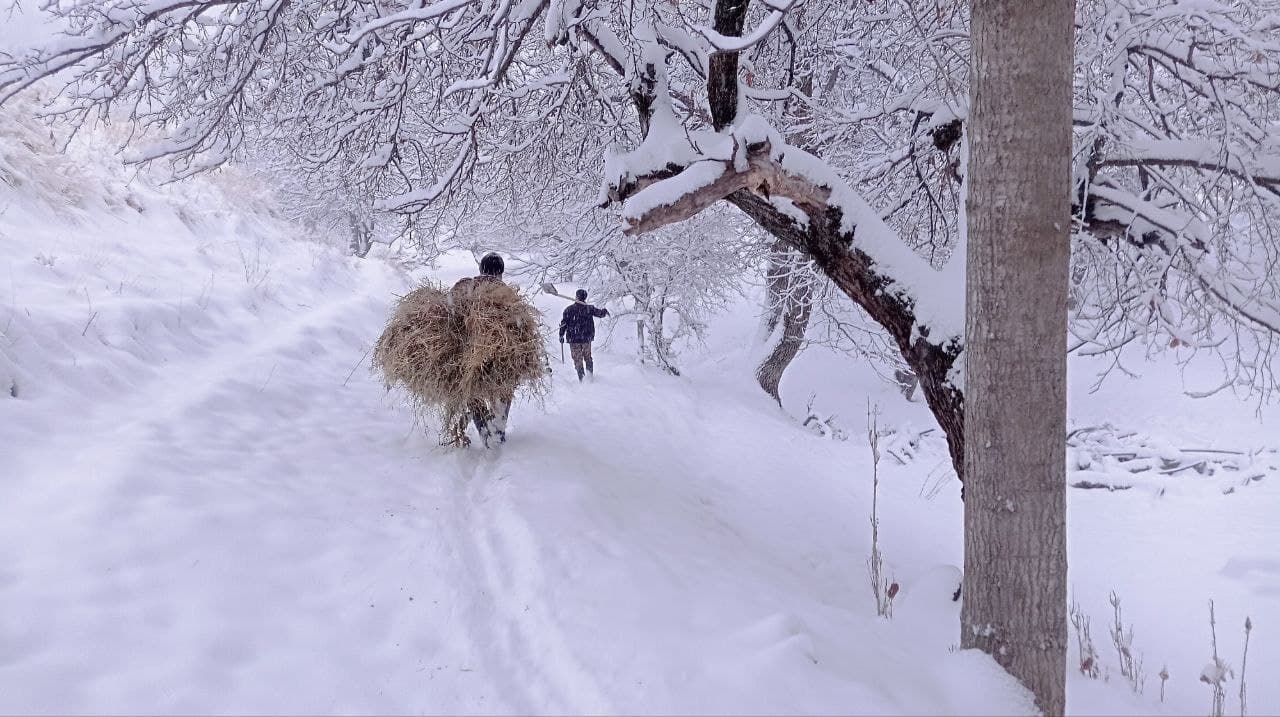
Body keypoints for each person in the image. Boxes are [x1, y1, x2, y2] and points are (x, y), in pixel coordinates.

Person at [451, 252, 513, 447]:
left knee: (473, 392)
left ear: (481, 269)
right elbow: (519, 327)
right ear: (501, 271)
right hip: (501, 355)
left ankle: (484, 429)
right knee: (504, 390)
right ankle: (498, 428)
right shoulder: (507, 293)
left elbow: (448, 313)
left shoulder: (466, 287)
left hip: (469, 353)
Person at [559, 289, 609, 381]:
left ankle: (582, 380)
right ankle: (590, 378)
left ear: (576, 297)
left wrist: (561, 335)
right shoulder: (589, 309)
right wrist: (604, 311)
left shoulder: (569, 310)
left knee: (577, 360)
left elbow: (564, 324)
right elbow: (600, 314)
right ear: (585, 297)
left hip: (574, 339)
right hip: (586, 338)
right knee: (588, 358)